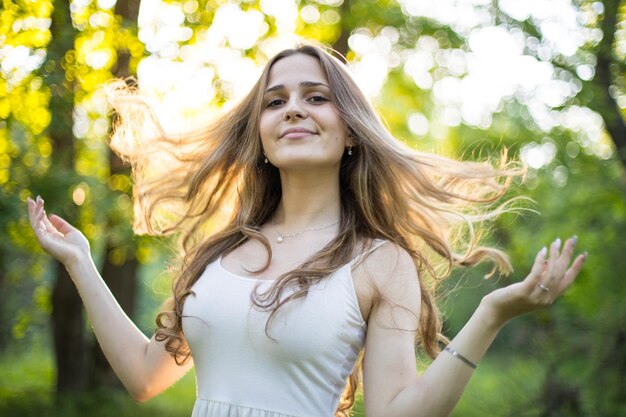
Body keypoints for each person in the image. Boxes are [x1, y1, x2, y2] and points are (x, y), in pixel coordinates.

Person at [26, 44, 586, 417]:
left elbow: (396, 411)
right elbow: (146, 377)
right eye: (276, 102)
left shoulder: (378, 262)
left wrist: (492, 315)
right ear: (262, 137)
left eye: (316, 97)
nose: (293, 109)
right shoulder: (219, 253)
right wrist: (79, 261)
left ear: (350, 133)